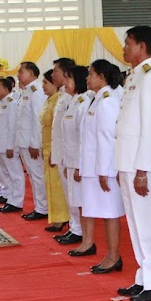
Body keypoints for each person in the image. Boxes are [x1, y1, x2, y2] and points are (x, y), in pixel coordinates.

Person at [113, 26, 151, 301]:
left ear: (142, 46)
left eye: (128, 43)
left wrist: (143, 169)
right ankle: (144, 277)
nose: (124, 48)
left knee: (149, 225)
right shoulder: (134, 76)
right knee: (136, 225)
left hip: (141, 166)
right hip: (128, 162)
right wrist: (121, 165)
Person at [80, 60, 126, 273]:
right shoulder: (97, 99)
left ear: (102, 77)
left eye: (91, 74)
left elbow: (108, 139)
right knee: (105, 212)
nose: (87, 78)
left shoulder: (107, 102)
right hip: (95, 167)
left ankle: (114, 256)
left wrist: (105, 171)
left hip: (104, 169)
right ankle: (111, 255)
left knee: (110, 212)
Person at [55, 63, 89, 248]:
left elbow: (83, 138)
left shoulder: (83, 103)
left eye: (69, 78)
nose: (65, 82)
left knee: (79, 199)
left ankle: (80, 232)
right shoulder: (74, 101)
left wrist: (78, 165)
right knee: (73, 197)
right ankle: (75, 228)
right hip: (69, 159)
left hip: (77, 161)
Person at [15, 62, 49, 221]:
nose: (18, 75)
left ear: (31, 73)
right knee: (33, 176)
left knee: (37, 176)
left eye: (21, 71)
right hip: (24, 141)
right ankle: (39, 206)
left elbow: (38, 119)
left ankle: (43, 208)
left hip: (31, 144)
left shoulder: (36, 91)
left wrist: (35, 144)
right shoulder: (27, 91)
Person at [39, 73, 70, 233]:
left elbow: (58, 129)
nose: (43, 86)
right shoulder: (49, 100)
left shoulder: (59, 99)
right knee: (51, 185)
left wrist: (53, 150)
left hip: (54, 148)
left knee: (57, 186)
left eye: (46, 82)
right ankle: (57, 218)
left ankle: (62, 218)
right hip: (46, 147)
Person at [0, 77, 19, 210]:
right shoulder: (1, 103)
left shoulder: (11, 103)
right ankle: (7, 196)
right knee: (4, 173)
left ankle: (16, 201)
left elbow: (12, 127)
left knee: (14, 175)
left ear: (6, 89)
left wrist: (10, 146)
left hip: (7, 146)